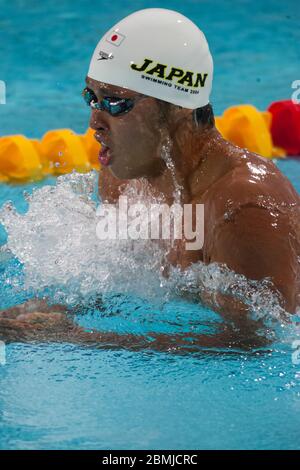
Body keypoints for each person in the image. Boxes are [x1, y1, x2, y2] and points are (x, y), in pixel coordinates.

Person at [0, 8, 299, 351]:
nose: (94, 121)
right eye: (91, 98)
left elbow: (259, 341)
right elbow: (118, 276)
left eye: (115, 103)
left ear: (178, 107)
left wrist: (79, 338)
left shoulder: (244, 209)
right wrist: (38, 314)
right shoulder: (122, 180)